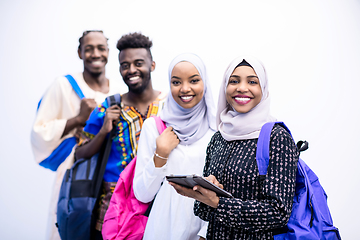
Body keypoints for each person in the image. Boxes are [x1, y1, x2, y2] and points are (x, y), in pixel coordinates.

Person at [169, 56, 300, 239]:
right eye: (234, 81)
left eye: (252, 81)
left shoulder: (276, 138)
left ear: (263, 87)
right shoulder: (219, 137)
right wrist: (205, 192)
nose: (242, 87)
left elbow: (278, 213)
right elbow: (202, 212)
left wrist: (218, 203)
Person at [30, 30, 122, 240]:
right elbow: (39, 131)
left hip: (108, 174)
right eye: (88, 49)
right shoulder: (63, 85)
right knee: (70, 226)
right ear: (80, 53)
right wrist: (78, 119)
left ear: (108, 52)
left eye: (101, 48)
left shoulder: (118, 90)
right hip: (74, 172)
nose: (95, 54)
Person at [75, 32, 166, 238]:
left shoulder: (169, 106)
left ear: (152, 65)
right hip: (114, 209)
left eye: (138, 63)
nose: (131, 70)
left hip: (158, 203)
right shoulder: (108, 106)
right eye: (125, 65)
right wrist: (104, 130)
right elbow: (79, 153)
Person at [133, 53, 217, 240]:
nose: (185, 89)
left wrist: (205, 234)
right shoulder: (154, 127)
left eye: (194, 80)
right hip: (163, 228)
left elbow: (222, 191)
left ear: (205, 82)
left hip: (204, 229)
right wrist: (161, 153)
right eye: (176, 82)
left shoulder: (217, 130)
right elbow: (142, 194)